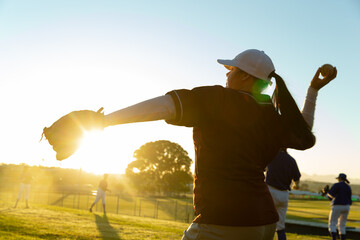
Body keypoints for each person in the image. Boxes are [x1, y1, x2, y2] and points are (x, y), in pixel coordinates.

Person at [94, 49, 318, 239]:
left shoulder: (217, 99)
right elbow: (302, 131)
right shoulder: (269, 113)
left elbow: (165, 106)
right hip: (265, 223)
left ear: (246, 77)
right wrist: (313, 90)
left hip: (222, 220)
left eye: (231, 70)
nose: (227, 75)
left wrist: (103, 121)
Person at [266, 66, 337, 240]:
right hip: (283, 194)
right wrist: (312, 90)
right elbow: (303, 135)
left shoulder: (270, 148)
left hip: (267, 191)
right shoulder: (289, 158)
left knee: (259, 225)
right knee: (278, 228)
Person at [327, 173, 352, 240]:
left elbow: (330, 197)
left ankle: (334, 239)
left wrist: (326, 193)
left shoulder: (336, 185)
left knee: (332, 224)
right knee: (342, 225)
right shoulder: (348, 187)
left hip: (337, 205)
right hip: (347, 206)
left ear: (340, 178)